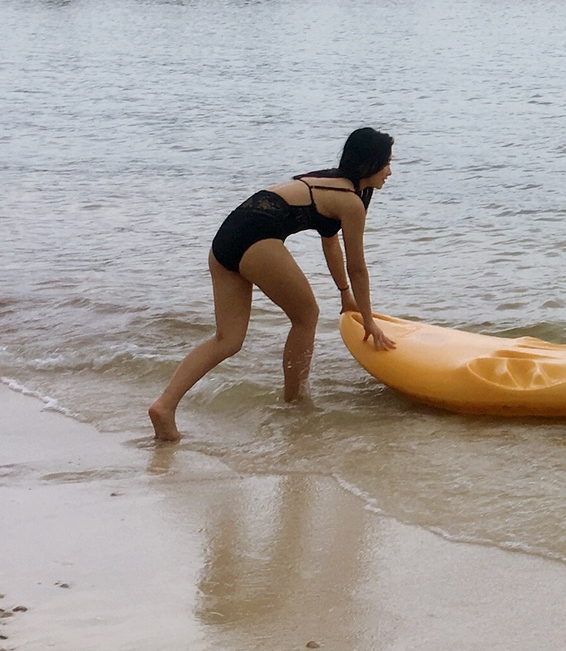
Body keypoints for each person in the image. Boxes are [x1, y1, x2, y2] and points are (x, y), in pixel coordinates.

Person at [149, 127, 398, 441]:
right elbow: (358, 267)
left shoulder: (331, 182)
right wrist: (369, 320)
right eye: (386, 162)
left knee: (228, 340)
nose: (390, 171)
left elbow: (330, 243)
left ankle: (164, 405)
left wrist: (345, 295)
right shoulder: (350, 202)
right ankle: (294, 404)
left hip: (228, 235)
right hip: (256, 236)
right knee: (306, 315)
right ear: (368, 163)